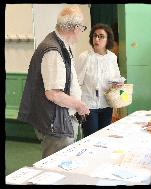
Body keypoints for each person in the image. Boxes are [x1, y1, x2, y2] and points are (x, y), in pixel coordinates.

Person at [17, 6, 90, 159]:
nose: (82, 31)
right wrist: (79, 105)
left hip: (58, 119)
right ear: (75, 28)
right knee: (57, 167)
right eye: (82, 27)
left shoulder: (59, 44)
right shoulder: (53, 51)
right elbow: (54, 94)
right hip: (55, 123)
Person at [75, 23, 123, 137]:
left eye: (101, 36)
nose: (97, 39)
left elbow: (117, 78)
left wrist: (118, 84)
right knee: (91, 139)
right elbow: (76, 83)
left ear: (108, 40)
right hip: (89, 106)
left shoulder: (112, 57)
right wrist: (78, 106)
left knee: (104, 138)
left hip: (107, 105)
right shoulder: (85, 57)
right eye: (95, 36)